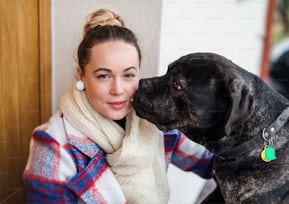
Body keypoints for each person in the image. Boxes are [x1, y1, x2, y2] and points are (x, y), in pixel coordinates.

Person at [23, 8, 214, 204]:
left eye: (128, 75)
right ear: (81, 75)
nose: (118, 89)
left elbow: (212, 163)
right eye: (103, 76)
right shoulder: (53, 146)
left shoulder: (155, 124)